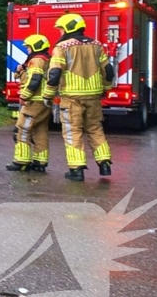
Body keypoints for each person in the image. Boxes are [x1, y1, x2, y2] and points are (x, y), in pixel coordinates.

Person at [42, 13, 115, 181]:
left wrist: (48, 95)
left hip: (71, 98)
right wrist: (106, 88)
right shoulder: (97, 45)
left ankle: (76, 169)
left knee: (72, 131)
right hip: (94, 97)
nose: (60, 32)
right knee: (95, 129)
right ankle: (104, 163)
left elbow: (54, 73)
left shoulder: (62, 47)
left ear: (69, 28)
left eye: (61, 29)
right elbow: (109, 70)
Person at [6, 34, 52, 173]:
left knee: (22, 129)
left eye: (28, 47)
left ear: (36, 47)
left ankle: (21, 161)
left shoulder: (37, 60)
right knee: (40, 131)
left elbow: (35, 80)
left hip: (34, 101)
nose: (27, 50)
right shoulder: (45, 59)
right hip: (43, 101)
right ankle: (40, 162)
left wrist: (25, 96)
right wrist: (20, 70)